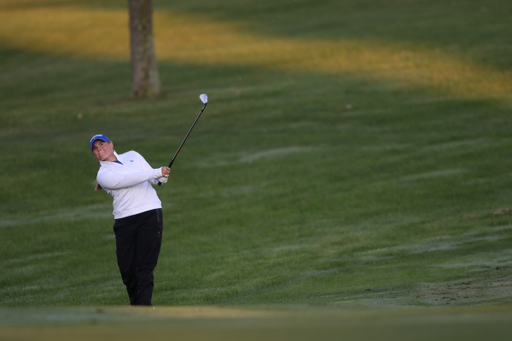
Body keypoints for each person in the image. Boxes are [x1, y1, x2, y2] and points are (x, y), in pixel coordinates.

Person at [90, 133, 170, 306]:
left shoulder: (133, 155)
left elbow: (156, 180)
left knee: (144, 267)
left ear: (111, 144)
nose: (99, 149)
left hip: (149, 213)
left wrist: (162, 176)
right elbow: (127, 180)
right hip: (125, 221)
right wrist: (156, 172)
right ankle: (137, 308)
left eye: (101, 144)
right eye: (95, 149)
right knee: (127, 270)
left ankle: (144, 309)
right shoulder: (103, 175)